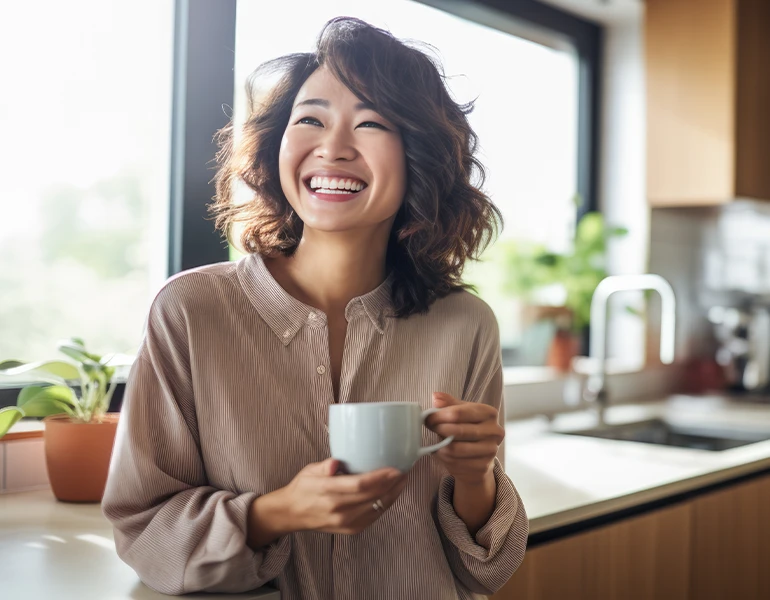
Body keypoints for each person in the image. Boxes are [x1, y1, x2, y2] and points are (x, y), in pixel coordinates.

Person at [102, 17, 528, 600]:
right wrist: (276, 513)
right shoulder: (191, 312)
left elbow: (488, 570)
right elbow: (145, 532)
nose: (333, 146)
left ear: (419, 159)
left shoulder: (464, 324)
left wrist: (476, 477)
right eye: (310, 118)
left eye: (372, 122)